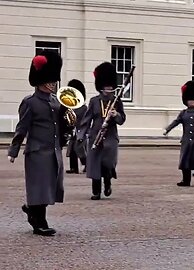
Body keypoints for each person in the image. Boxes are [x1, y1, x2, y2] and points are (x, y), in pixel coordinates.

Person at [8, 51, 69, 236]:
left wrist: (68, 127)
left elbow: (60, 125)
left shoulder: (56, 102)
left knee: (50, 186)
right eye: (50, 82)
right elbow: (22, 128)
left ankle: (31, 209)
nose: (53, 84)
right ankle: (39, 223)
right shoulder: (30, 102)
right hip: (37, 152)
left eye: (54, 81)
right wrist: (14, 150)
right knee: (40, 187)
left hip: (53, 151)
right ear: (41, 82)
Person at [77, 62, 126, 200]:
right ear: (101, 87)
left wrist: (116, 115)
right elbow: (86, 120)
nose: (108, 89)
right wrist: (81, 135)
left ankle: (108, 182)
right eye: (105, 87)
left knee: (108, 163)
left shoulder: (117, 101)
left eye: (110, 87)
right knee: (95, 165)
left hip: (110, 137)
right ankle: (96, 191)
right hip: (95, 137)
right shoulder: (94, 101)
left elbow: (122, 120)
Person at [164, 81, 194, 186]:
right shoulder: (183, 113)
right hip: (187, 140)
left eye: (193, 100)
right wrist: (167, 129)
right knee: (185, 161)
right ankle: (186, 180)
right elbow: (176, 122)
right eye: (189, 100)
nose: (191, 102)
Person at [65, 79, 88, 174]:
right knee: (72, 150)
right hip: (73, 130)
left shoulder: (83, 107)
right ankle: (73, 167)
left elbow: (83, 120)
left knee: (79, 149)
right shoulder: (70, 106)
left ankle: (87, 164)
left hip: (80, 131)